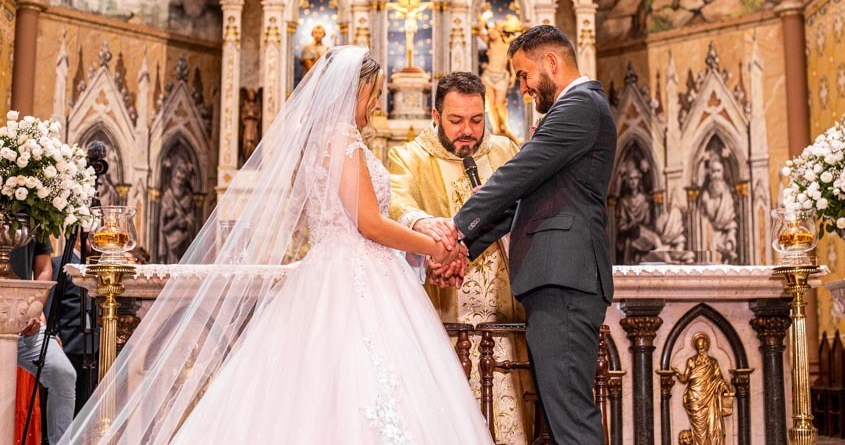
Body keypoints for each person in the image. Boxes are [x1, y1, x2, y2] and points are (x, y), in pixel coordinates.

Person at [60, 46, 491, 444]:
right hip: (353, 279)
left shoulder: (330, 139)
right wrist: (434, 248)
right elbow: (370, 225)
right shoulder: (341, 140)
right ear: (354, 91)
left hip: (349, 273)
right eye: (373, 94)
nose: (377, 104)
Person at [446, 25, 617, 445]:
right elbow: (521, 202)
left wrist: (452, 229)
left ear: (552, 63)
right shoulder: (575, 109)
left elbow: (516, 176)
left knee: (571, 417)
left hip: (565, 279)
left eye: (523, 75)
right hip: (558, 279)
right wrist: (464, 249)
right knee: (563, 415)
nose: (521, 88)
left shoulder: (580, 106)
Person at [388, 71, 532, 443]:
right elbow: (395, 205)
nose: (467, 130)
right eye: (455, 121)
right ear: (436, 117)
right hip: (444, 310)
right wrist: (426, 229)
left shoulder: (504, 151)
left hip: (504, 309)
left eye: (476, 119)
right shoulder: (408, 157)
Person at [11, 241, 77, 444]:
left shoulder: (35, 209)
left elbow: (43, 267)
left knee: (63, 373)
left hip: (23, 320)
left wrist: (36, 308)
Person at [44, 243, 98, 415]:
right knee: (64, 400)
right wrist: (52, 334)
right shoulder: (60, 263)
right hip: (68, 342)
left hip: (92, 345)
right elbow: (51, 303)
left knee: (85, 400)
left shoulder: (94, 265)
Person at [673, 332, 734, 445]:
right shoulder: (691, 361)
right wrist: (678, 374)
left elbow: (719, 378)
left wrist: (724, 387)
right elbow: (685, 379)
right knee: (699, 430)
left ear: (706, 347)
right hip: (695, 398)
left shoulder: (713, 362)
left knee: (712, 428)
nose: (701, 351)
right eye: (699, 348)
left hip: (710, 396)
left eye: (703, 348)